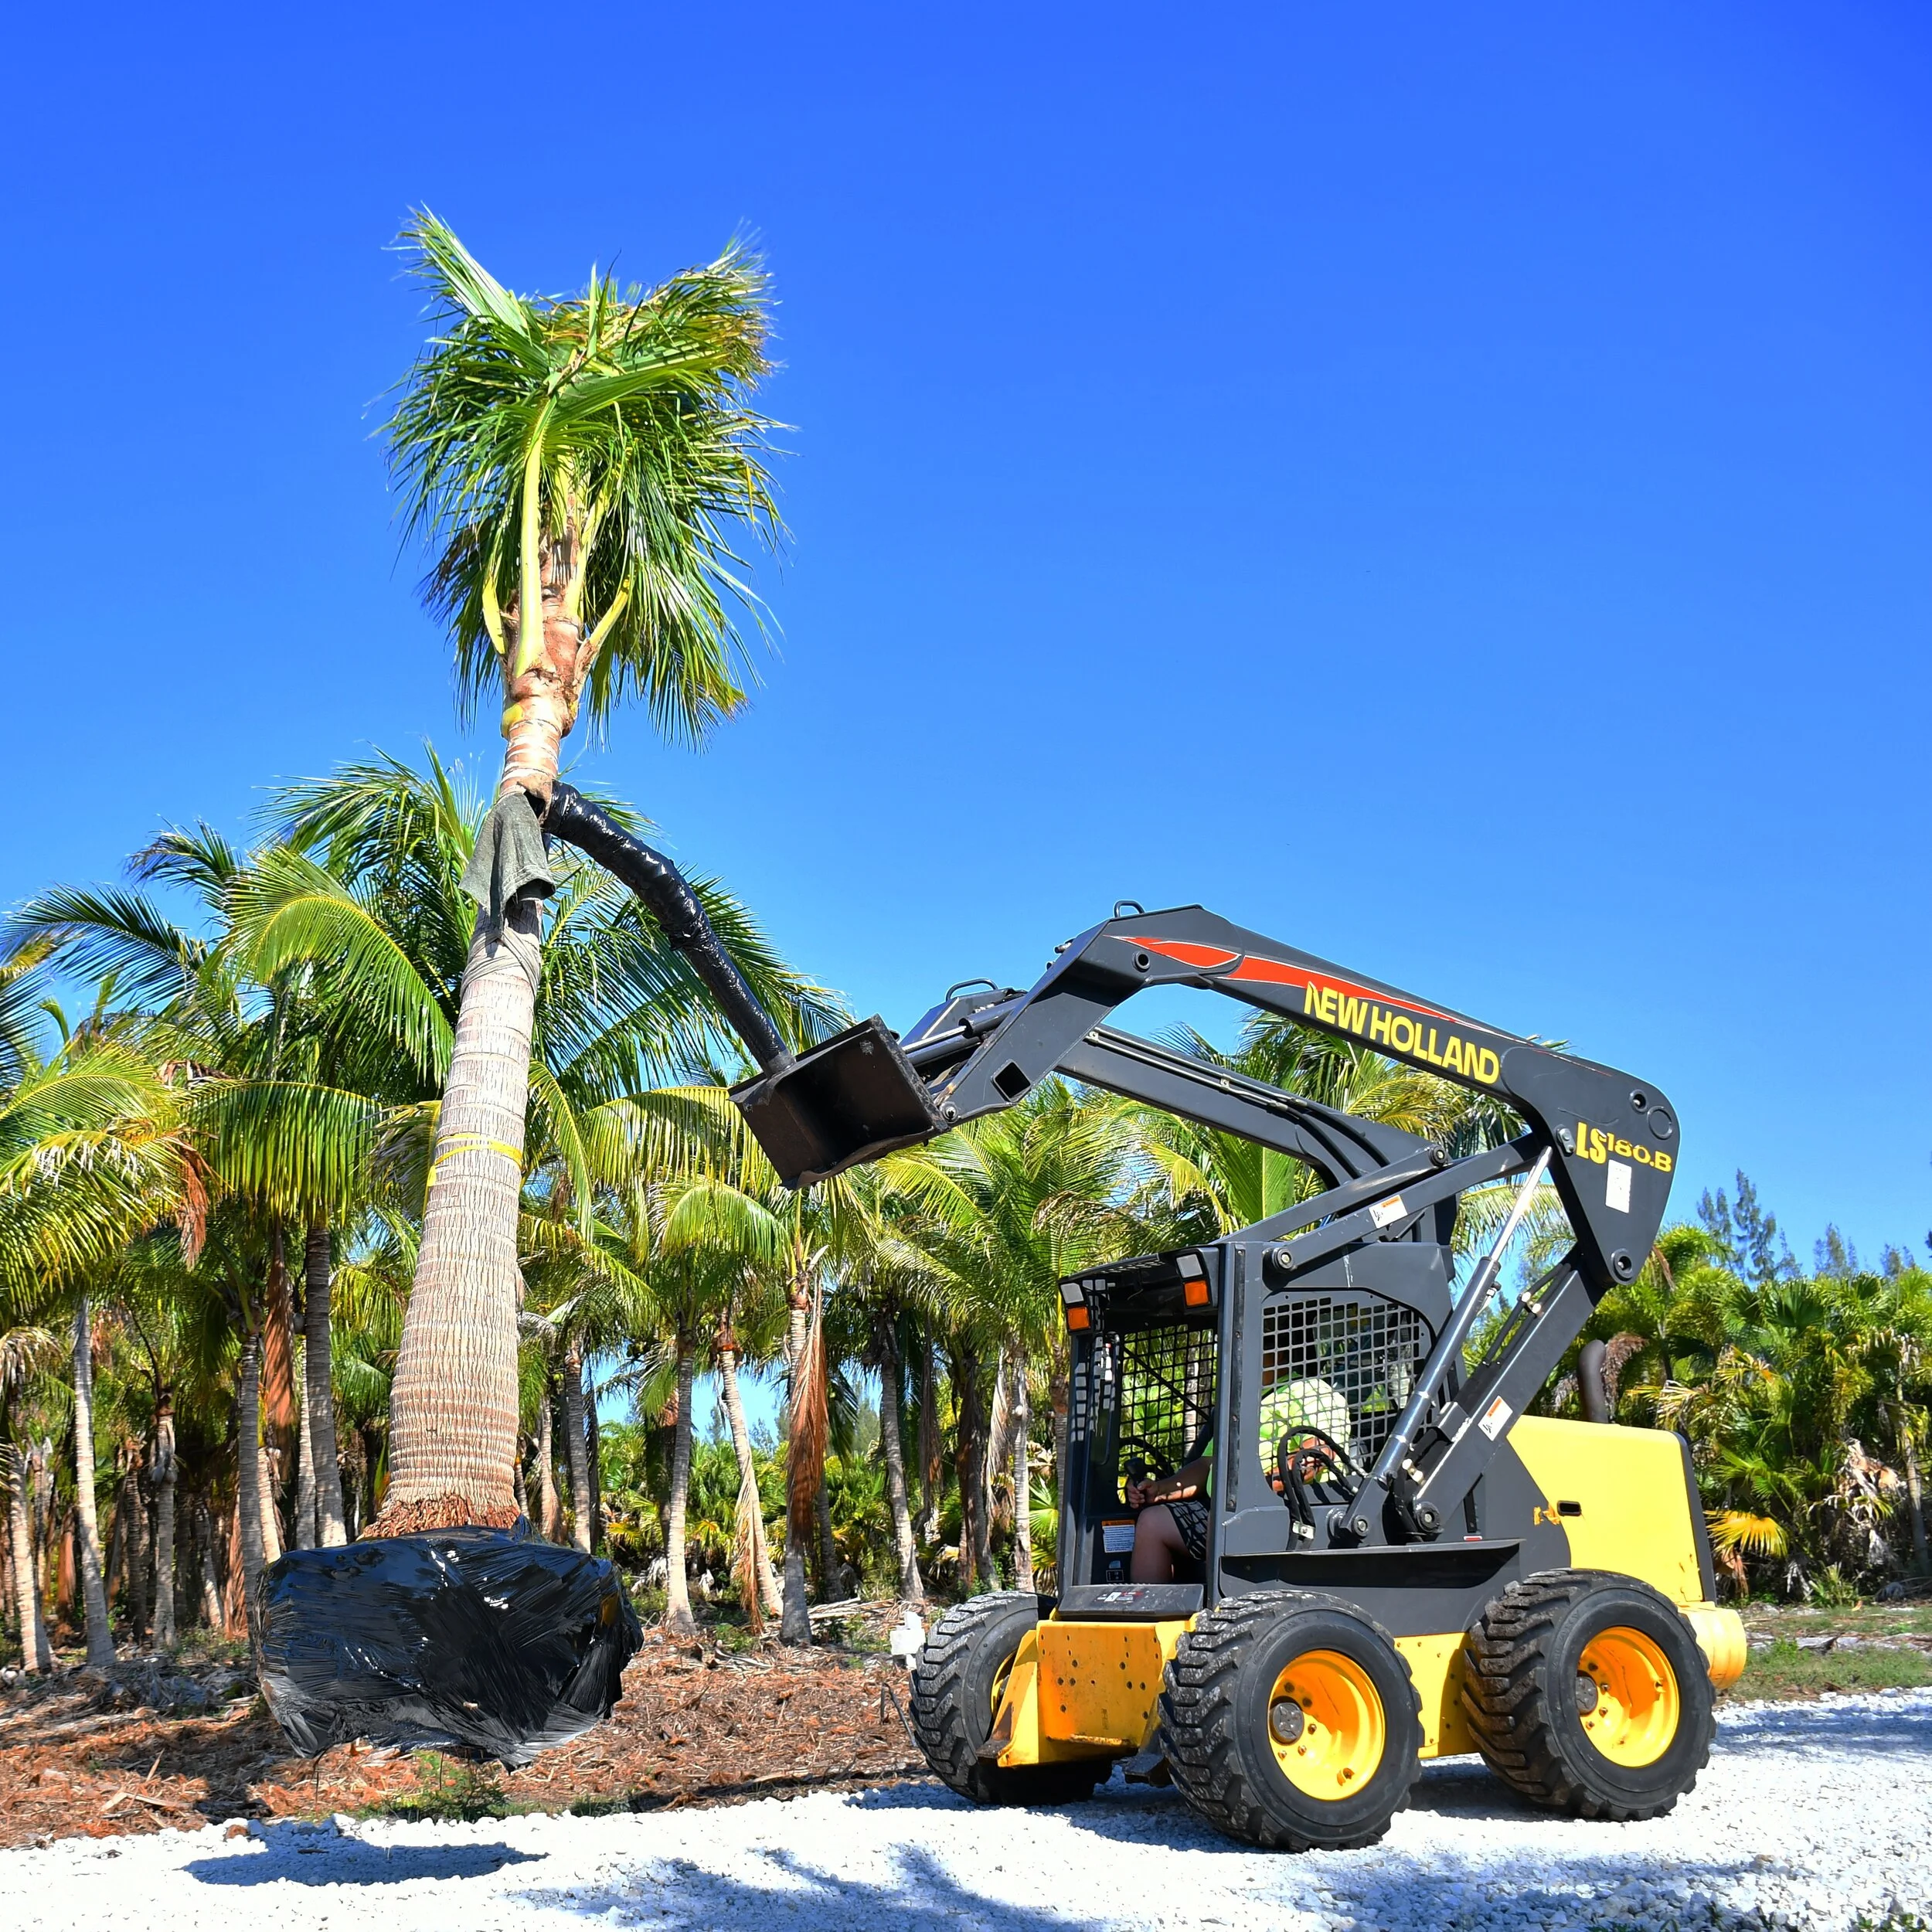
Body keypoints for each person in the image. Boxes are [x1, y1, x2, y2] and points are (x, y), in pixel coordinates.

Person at [1124, 1454, 1213, 1583]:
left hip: (1243, 1512)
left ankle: (1220, 1600)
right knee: (1152, 1522)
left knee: (1216, 1520)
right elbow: (1207, 1464)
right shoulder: (1228, 1435)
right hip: (1215, 1505)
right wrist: (1159, 1490)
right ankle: (1150, 1601)